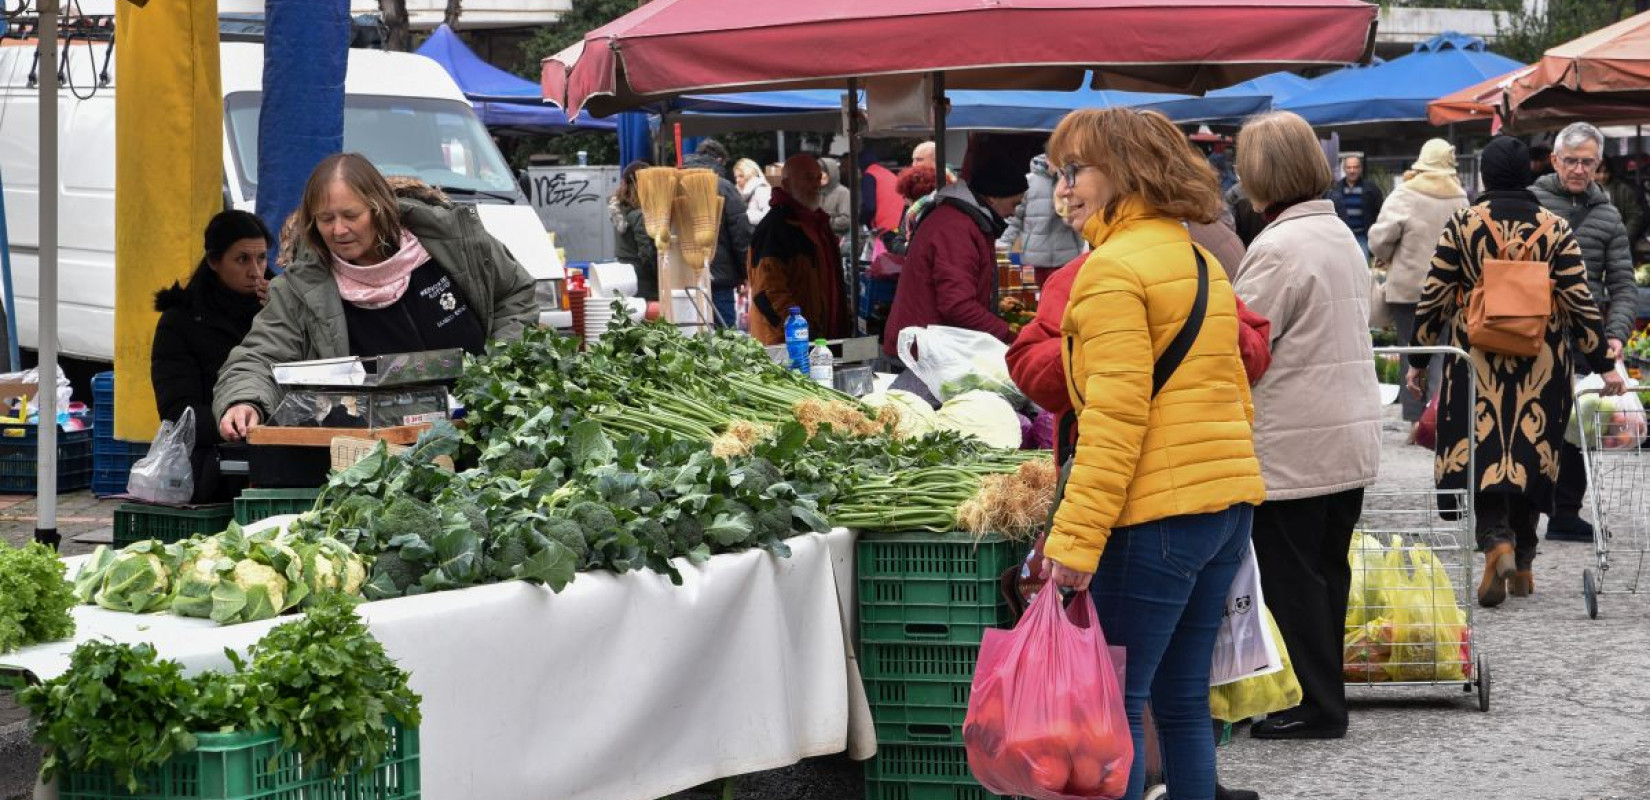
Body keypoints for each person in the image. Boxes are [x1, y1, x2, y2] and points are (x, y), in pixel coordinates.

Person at [1039, 108, 1266, 800]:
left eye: (1075, 170)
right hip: (1223, 510)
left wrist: (1074, 542)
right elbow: (1234, 394)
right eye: (1056, 174)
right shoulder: (1196, 258)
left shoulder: (1108, 272)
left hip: (1155, 517)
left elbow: (1113, 420)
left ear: (1126, 171)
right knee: (1182, 700)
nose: (1063, 188)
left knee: (1119, 708)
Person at [1407, 135, 1623, 606]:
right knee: (1532, 453)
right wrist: (1604, 362)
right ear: (1529, 172)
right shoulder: (1555, 227)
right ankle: (1523, 559)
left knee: (1483, 450)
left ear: (1483, 175)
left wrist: (1419, 361)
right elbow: (1580, 302)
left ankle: (1495, 541)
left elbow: (1434, 297)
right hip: (1541, 365)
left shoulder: (1463, 224)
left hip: (1476, 362)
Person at [1230, 111, 1382, 742]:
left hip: (1295, 439)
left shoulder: (1277, 247)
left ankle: (1316, 706)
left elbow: (1244, 342)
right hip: (1343, 433)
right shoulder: (1338, 233)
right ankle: (1325, 697)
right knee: (1327, 570)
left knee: (1293, 579)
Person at [214, 153, 537, 440]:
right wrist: (244, 400)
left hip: (484, 433)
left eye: (351, 216)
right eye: (326, 219)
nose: (339, 230)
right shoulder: (300, 289)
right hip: (371, 458)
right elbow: (258, 355)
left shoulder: (454, 243)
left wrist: (498, 374)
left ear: (378, 209)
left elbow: (514, 294)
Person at [1530, 122, 1638, 542]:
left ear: (1598, 164)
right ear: (1555, 160)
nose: (1578, 169)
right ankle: (1524, 512)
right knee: (1535, 424)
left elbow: (1624, 284)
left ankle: (1565, 512)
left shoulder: (1608, 214)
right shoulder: (1532, 203)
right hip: (1534, 334)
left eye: (1587, 161)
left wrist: (1616, 333)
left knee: (1577, 425)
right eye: (1570, 160)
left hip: (1586, 337)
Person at [151, 210, 272, 503]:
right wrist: (233, 422)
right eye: (242, 259)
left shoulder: (280, 307)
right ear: (214, 261)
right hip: (211, 467)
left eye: (262, 258)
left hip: (277, 452)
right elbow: (177, 409)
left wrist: (283, 308)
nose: (256, 271)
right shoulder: (181, 321)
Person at [880, 139, 1026, 359]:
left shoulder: (964, 220)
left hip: (931, 345)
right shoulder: (956, 227)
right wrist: (1011, 336)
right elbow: (957, 305)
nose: (1014, 213)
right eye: (1014, 203)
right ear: (993, 196)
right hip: (924, 351)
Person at [1368, 139, 1469, 438]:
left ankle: (1416, 422)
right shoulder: (1461, 199)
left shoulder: (1405, 194)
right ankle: (1438, 419)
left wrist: (1389, 256)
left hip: (1409, 290)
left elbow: (1379, 239)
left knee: (1411, 353)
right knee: (1442, 353)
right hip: (1450, 290)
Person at [747, 154, 846, 345]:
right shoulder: (775, 228)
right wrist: (800, 333)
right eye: (808, 178)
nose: (816, 185)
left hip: (818, 341)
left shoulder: (819, 224)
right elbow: (767, 292)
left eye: (818, 178)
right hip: (787, 345)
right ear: (786, 184)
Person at [683, 139, 754, 328]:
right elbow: (740, 234)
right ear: (720, 160)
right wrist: (745, 273)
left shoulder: (677, 182)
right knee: (724, 336)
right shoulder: (723, 186)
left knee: (688, 331)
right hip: (719, 278)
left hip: (682, 275)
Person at [998, 153, 1085, 287]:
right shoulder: (1028, 182)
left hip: (1065, 260)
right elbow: (1015, 220)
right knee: (1030, 303)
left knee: (1061, 302)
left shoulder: (1072, 184)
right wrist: (1003, 248)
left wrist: (1061, 180)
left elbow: (1074, 221)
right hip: (1031, 262)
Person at [610, 160, 660, 301]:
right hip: (644, 282)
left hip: (625, 274)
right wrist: (660, 274)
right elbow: (646, 253)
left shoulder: (619, 210)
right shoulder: (638, 215)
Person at [1327, 154, 1384, 256]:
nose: (1352, 170)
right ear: (1344, 169)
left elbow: (1380, 213)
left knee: (1362, 264)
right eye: (1349, 167)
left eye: (1355, 167)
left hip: (1362, 236)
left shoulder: (1371, 189)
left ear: (1360, 169)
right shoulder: (1336, 189)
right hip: (1342, 236)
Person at [1595, 157, 1646, 263]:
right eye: (1598, 172)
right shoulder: (1584, 190)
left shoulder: (1623, 190)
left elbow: (1635, 216)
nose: (1602, 176)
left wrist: (1624, 237)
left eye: (1606, 172)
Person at [818, 157, 853, 238]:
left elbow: (845, 220)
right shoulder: (815, 192)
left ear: (830, 173)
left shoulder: (843, 193)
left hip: (837, 240)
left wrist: (824, 221)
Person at [732, 157, 773, 226]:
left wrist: (746, 216)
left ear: (750, 174)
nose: (737, 180)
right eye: (736, 177)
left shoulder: (761, 190)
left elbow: (769, 216)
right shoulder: (740, 193)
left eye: (741, 176)